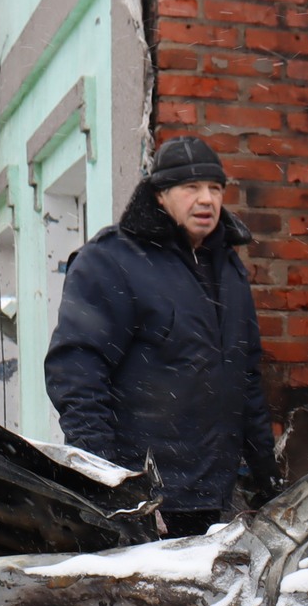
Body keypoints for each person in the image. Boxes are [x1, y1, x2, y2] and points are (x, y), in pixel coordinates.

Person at [46, 136, 279, 535]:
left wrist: (268, 483)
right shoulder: (112, 261)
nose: (206, 200)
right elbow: (78, 377)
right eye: (191, 188)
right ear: (159, 196)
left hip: (218, 500)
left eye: (215, 188)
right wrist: (112, 489)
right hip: (147, 503)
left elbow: (247, 382)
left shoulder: (229, 269)